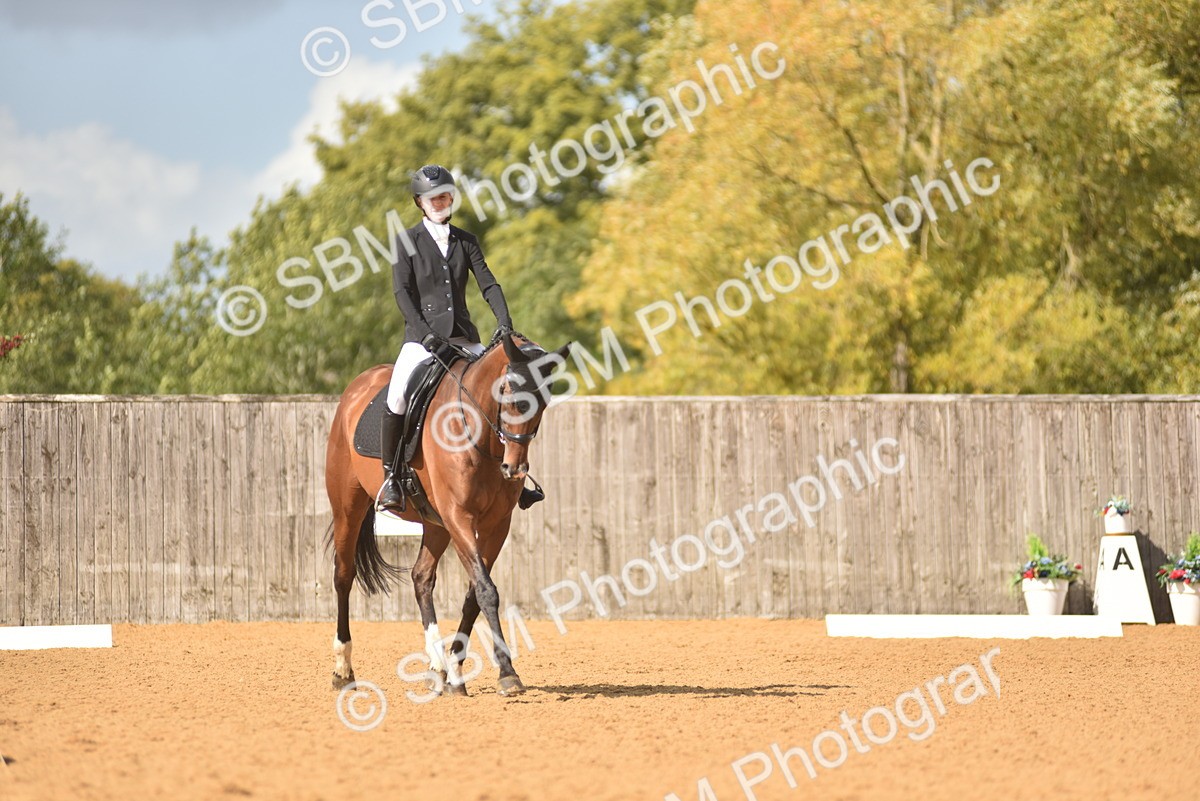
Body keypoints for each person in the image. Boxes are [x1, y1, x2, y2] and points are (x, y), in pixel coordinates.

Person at [379, 164, 521, 511]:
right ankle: (391, 478)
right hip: (422, 340)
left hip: (463, 338)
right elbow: (403, 293)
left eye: (444, 196)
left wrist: (504, 322)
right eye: (433, 198)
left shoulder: (466, 241)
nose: (440, 202)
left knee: (502, 390)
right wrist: (425, 334)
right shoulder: (406, 241)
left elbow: (488, 283)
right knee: (397, 397)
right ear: (420, 202)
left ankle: (514, 471)